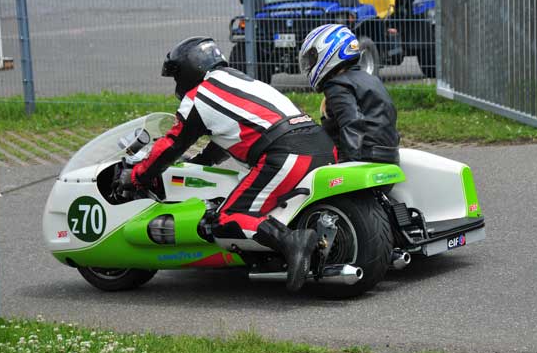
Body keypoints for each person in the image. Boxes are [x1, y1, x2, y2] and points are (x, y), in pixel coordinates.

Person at [117, 36, 336, 292]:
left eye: (177, 75)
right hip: (322, 145)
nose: (177, 83)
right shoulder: (238, 81)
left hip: (287, 155)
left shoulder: (199, 96)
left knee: (227, 217)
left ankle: (292, 242)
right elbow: (227, 134)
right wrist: (201, 162)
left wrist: (138, 176)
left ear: (190, 68)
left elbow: (172, 145)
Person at [299, 24, 400, 164]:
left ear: (329, 51)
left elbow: (352, 123)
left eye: (312, 58)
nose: (309, 64)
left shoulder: (337, 85)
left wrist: (348, 164)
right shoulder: (371, 79)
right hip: (389, 158)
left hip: (364, 163)